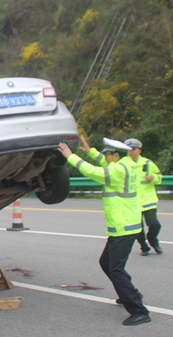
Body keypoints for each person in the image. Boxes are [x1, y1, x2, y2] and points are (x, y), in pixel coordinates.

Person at [58, 137, 151, 326]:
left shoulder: (117, 170)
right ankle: (131, 293)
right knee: (107, 262)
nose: (105, 157)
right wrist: (89, 150)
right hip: (124, 226)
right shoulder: (127, 164)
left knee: (115, 268)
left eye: (108, 154)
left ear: (116, 155)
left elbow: (93, 171)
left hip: (124, 227)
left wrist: (70, 156)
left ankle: (139, 310)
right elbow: (102, 162)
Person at [124, 138, 163, 255]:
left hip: (148, 200)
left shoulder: (147, 163)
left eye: (134, 149)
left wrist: (154, 177)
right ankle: (144, 247)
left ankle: (153, 240)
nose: (132, 152)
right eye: (129, 150)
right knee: (137, 228)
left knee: (154, 224)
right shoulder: (124, 165)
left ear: (139, 151)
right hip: (132, 202)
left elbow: (159, 177)